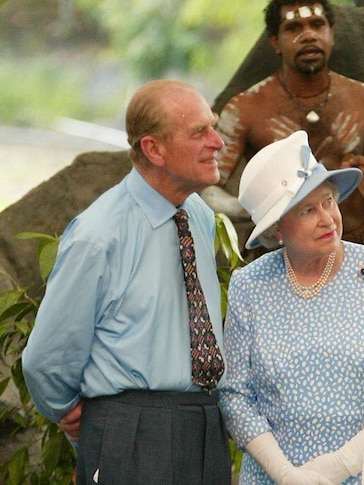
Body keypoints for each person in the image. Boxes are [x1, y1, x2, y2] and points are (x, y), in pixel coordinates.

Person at [22, 80, 231, 484]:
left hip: (205, 425)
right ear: (154, 149)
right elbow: (46, 358)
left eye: (213, 126)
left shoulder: (198, 217)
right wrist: (80, 416)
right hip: (131, 432)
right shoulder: (99, 235)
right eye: (199, 132)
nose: (218, 142)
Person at [219, 130, 364, 484]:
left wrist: (335, 468)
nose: (328, 219)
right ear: (277, 229)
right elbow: (235, 395)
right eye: (307, 210)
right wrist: (287, 476)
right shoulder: (250, 286)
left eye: (329, 201)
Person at [202, 0, 364, 255]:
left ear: (331, 34)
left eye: (317, 25)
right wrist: (253, 208)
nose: (308, 36)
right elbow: (207, 185)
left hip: (355, 251)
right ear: (275, 42)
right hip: (282, 258)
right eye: (294, 28)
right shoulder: (245, 109)